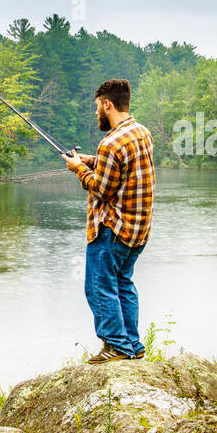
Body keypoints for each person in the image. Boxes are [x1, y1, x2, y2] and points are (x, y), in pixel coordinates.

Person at [61, 79, 155, 363]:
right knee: (123, 283)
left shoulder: (111, 142)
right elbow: (120, 169)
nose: (96, 114)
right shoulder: (142, 133)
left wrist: (79, 169)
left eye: (97, 108)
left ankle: (116, 346)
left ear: (107, 104)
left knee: (99, 287)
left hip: (111, 230)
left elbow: (102, 189)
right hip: (138, 231)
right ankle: (133, 345)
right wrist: (91, 160)